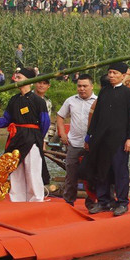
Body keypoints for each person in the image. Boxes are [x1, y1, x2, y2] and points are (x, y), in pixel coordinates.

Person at [0, 68, 50, 202]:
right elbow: (5, 120)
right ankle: (17, 200)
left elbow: (45, 123)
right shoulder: (13, 100)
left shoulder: (38, 101)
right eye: (16, 77)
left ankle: (36, 200)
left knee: (33, 171)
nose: (16, 80)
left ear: (29, 80)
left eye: (19, 77)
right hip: (15, 138)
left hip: (32, 138)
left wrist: (36, 137)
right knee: (15, 170)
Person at [83, 61, 130, 216]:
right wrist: (89, 136)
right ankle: (103, 201)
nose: (112, 76)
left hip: (119, 140)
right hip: (101, 140)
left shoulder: (128, 94)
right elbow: (96, 117)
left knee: (120, 172)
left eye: (115, 73)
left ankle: (122, 202)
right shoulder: (104, 92)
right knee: (102, 171)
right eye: (110, 73)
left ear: (123, 75)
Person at [56, 74, 97, 205]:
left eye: (85, 86)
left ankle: (92, 201)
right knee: (71, 173)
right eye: (79, 86)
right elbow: (60, 116)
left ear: (92, 86)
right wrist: (62, 133)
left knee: (92, 174)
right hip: (73, 143)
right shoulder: (70, 100)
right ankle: (68, 201)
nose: (82, 89)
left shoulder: (98, 101)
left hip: (92, 145)